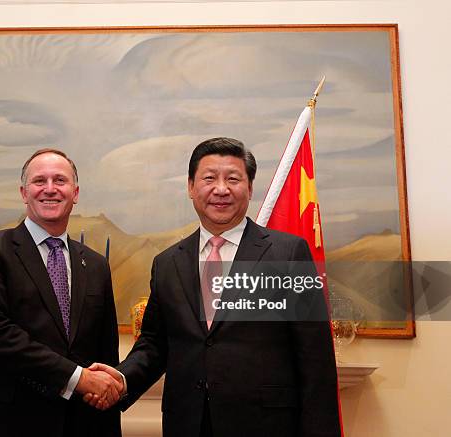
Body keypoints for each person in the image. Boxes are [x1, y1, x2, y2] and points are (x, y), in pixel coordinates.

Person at [89, 138, 340, 436]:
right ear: (191, 187)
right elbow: (155, 344)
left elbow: (316, 359)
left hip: (265, 425)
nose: (221, 189)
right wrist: (121, 378)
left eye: (233, 178)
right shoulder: (168, 263)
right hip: (188, 423)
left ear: (249, 187)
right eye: (209, 178)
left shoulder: (288, 253)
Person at [0, 148, 122, 437]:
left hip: (81, 423)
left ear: (75, 192)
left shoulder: (96, 264)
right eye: (39, 181)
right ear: (24, 192)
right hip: (6, 422)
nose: (50, 189)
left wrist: (106, 390)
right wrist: (77, 378)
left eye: (60, 180)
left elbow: (105, 350)